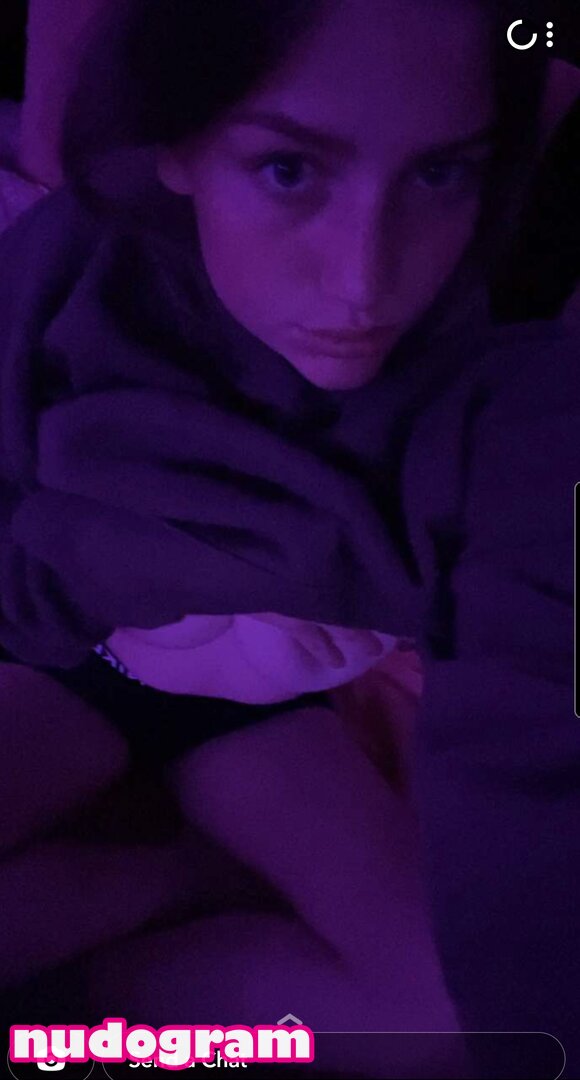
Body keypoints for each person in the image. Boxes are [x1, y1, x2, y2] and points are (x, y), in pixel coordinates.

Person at [0, 0, 576, 1075]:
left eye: (438, 174)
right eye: (289, 172)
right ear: (178, 147)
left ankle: (75, 1017)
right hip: (68, 664)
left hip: (263, 717)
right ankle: (155, 896)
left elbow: (531, 717)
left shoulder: (500, 402)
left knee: (453, 1026)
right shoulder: (75, 273)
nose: (365, 281)